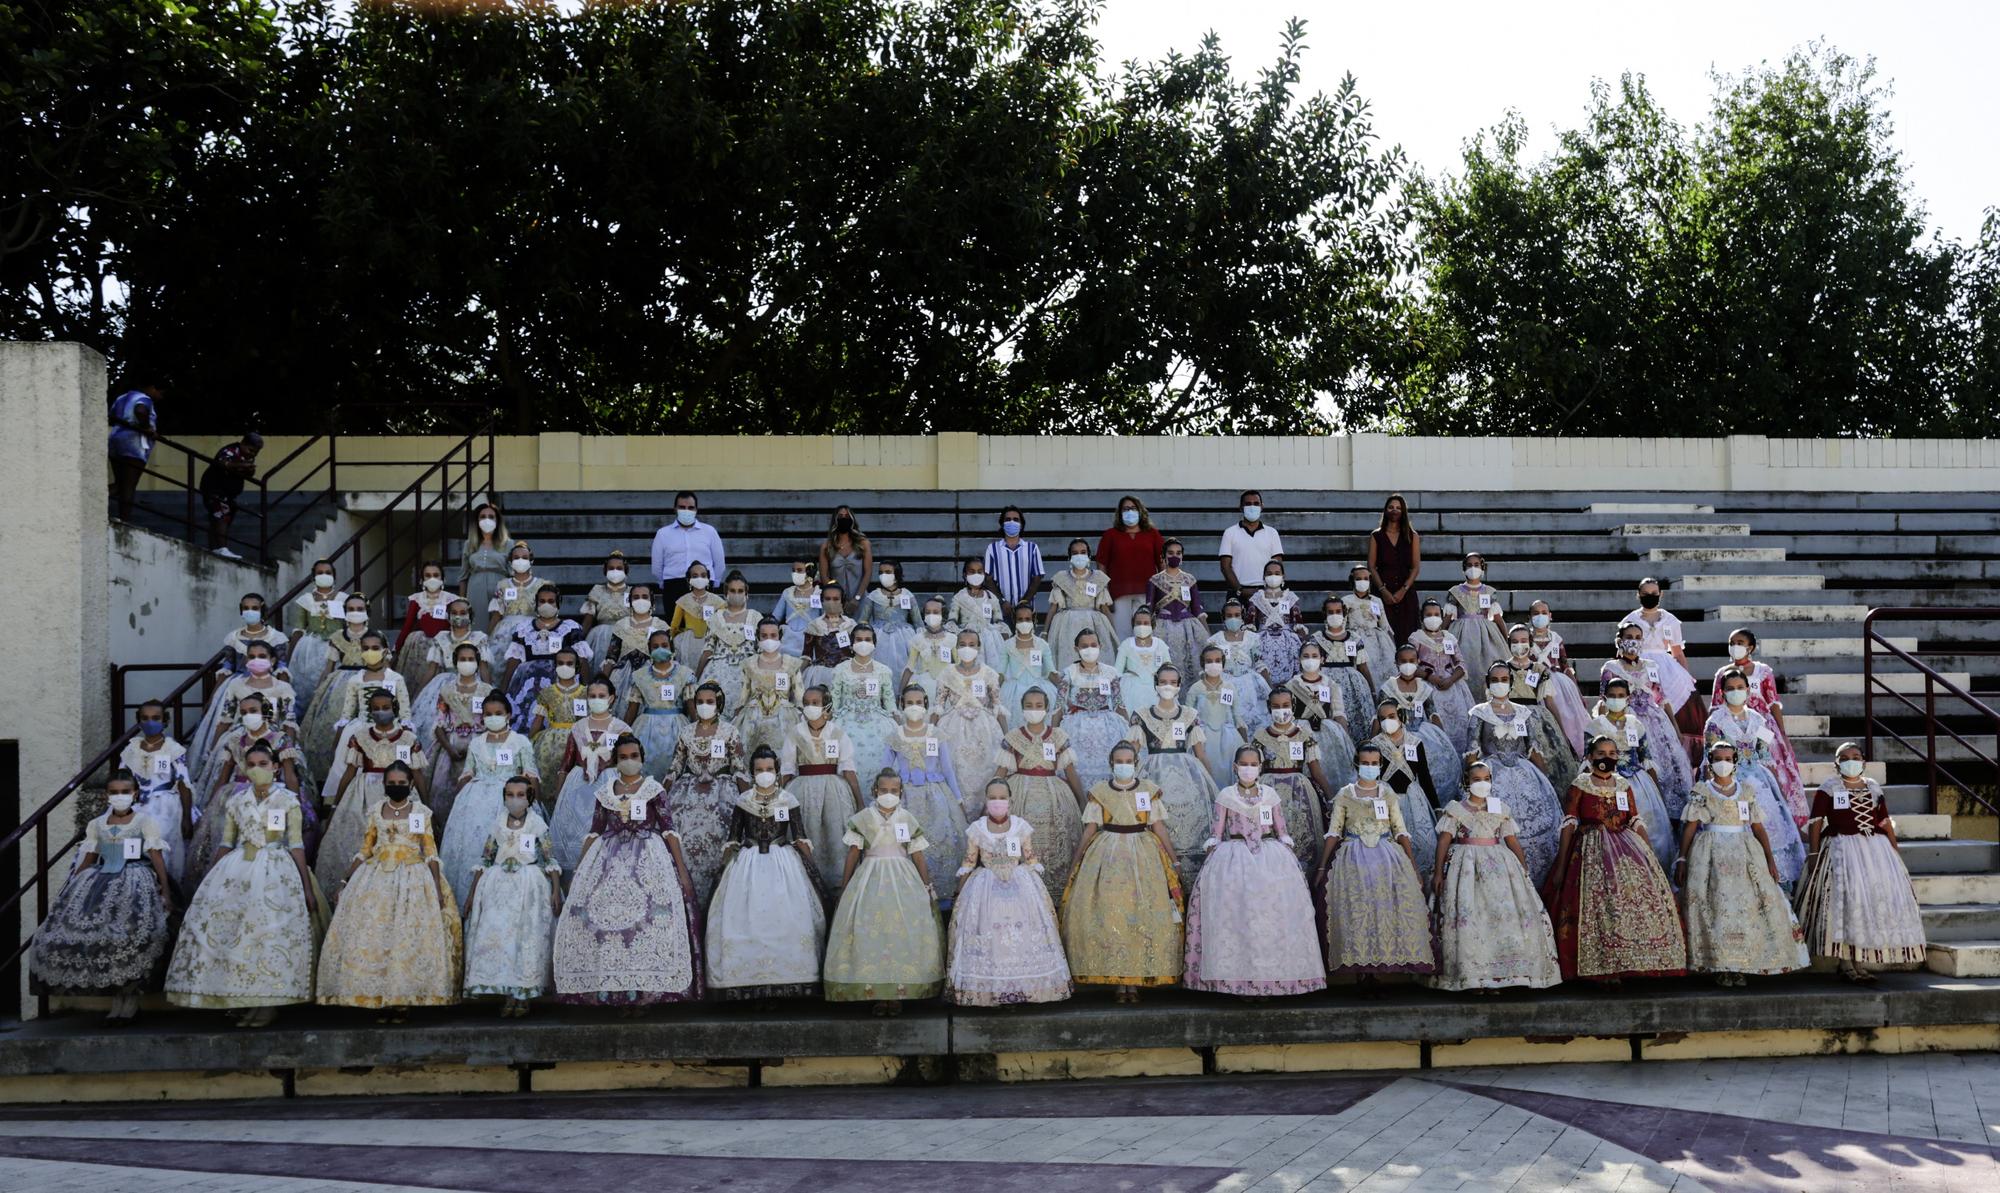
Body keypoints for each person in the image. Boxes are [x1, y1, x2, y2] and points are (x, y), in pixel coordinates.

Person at [165, 743, 323, 1026]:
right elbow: (227, 842)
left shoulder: (287, 800)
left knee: (267, 932)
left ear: (275, 767)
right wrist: (210, 880)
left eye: (263, 763)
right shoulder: (237, 801)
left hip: (275, 868)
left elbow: (297, 844)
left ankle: (269, 1002)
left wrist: (307, 888)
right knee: (235, 933)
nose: (257, 769)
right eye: (251, 764)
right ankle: (242, 998)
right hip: (237, 868)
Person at [554, 735, 704, 1010]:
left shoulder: (653, 789)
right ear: (616, 760)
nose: (629, 761)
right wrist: (579, 869)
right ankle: (613, 991)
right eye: (623, 757)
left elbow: (669, 829)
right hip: (607, 857)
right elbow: (595, 830)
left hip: (649, 856)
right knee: (602, 921)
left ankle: (644, 992)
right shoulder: (606, 792)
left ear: (642, 758)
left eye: (634, 755)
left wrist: (681, 871)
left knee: (647, 920)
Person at [316, 762, 460, 1018]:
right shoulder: (375, 811)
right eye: (391, 784)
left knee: (406, 939)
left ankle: (402, 998)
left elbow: (430, 852)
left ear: (411, 785)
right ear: (384, 785)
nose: (396, 787)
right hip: (376, 876)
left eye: (401, 783)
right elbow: (365, 849)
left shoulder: (419, 813)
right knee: (374, 938)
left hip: (413, 877)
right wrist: (345, 880)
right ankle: (376, 997)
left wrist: (437, 888)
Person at [31, 770, 175, 1023]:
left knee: (128, 936)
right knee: (101, 938)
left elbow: (155, 855)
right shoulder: (97, 824)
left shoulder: (144, 821)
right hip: (100, 881)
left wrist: (165, 888)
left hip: (134, 880)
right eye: (114, 792)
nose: (120, 797)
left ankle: (129, 997)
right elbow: (88, 858)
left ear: (135, 794)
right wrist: (71, 890)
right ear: (106, 796)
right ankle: (116, 998)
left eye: (125, 792)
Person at [1184, 746, 1327, 997]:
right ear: (1235, 767)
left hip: (1270, 857)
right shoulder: (1226, 795)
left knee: (1271, 917)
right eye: (1243, 764)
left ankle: (1271, 981)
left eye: (1253, 764)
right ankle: (1238, 982)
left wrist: (1286, 846)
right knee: (1237, 918)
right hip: (1234, 857)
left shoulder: (1270, 795)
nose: (1248, 768)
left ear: (1260, 767)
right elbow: (1217, 832)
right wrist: (1212, 851)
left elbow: (1281, 828)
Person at [1544, 735, 1687, 984]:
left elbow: (1634, 818)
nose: (1607, 758)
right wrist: (1561, 862)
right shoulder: (1580, 785)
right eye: (1601, 754)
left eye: (1612, 753)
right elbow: (1569, 824)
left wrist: (1648, 851)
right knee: (1599, 904)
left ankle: (1629, 962)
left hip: (1625, 849)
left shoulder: (1623, 785)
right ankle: (1602, 966)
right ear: (1589, 757)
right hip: (1590, 851)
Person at [1062, 742, 1184, 1003]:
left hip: (1144, 853)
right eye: (1119, 761)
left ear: (1136, 763)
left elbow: (1159, 827)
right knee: (1111, 915)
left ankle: (1136, 979)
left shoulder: (1149, 791)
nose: (1124, 765)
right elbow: (1090, 829)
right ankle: (1118, 981)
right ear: (1111, 763)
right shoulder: (1100, 793)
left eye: (1128, 760)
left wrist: (1174, 861)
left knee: (1143, 914)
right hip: (1107, 854)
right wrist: (1077, 860)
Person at [1678, 742, 1808, 985]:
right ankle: (1720, 965)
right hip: (1711, 855)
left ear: (1735, 761)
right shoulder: (1702, 790)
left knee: (1746, 907)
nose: (1723, 763)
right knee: (1715, 906)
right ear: (1710, 760)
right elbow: (1691, 826)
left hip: (1745, 852)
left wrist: (1770, 859)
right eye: (1718, 758)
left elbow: (1758, 827)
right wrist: (1682, 858)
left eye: (1728, 758)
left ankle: (1742, 965)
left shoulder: (1746, 790)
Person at [1795, 743, 1927, 983]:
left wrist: (1895, 854)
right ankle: (1846, 963)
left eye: (1855, 757)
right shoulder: (1829, 788)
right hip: (1841, 850)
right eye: (1844, 757)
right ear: (1836, 763)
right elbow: (1816, 822)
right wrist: (1813, 855)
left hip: (1874, 852)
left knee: (1869, 905)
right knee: (1847, 904)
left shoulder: (1873, 787)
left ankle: (1859, 961)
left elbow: (1884, 821)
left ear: (1864, 762)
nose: (1850, 761)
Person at [705, 746, 828, 1001]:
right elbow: (733, 838)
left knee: (791, 918)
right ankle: (747, 985)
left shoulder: (788, 800)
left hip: (784, 864)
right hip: (747, 865)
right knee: (740, 919)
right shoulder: (743, 801)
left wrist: (812, 870)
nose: (764, 774)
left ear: (777, 771)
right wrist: (724, 871)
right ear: (751, 773)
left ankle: (785, 983)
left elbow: (800, 835)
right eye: (759, 770)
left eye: (769, 769)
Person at [1428, 760, 1561, 993]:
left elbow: (1511, 840)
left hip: (1500, 868)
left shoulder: (1500, 808)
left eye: (1486, 779)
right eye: (1476, 780)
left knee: (1502, 916)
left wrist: (1523, 867)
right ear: (1466, 782)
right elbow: (1444, 841)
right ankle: (1474, 977)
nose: (1482, 784)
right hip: (1466, 867)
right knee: (1473, 916)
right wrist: (1438, 872)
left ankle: (1502, 974)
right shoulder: (1456, 809)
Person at [823, 770, 944, 1012]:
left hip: (904, 880)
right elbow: (853, 854)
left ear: (901, 792)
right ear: (875, 791)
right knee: (872, 934)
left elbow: (917, 856)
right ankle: (876, 992)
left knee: (901, 932)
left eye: (894, 791)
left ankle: (898, 993)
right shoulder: (863, 818)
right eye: (883, 790)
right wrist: (845, 886)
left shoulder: (907, 819)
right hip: (869, 878)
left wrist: (927, 885)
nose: (888, 795)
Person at [947, 780, 1072, 1006]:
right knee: (990, 937)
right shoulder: (977, 829)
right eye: (993, 797)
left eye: (1002, 797)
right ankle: (991, 989)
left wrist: (1036, 875)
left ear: (1010, 800)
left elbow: (1030, 856)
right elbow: (969, 861)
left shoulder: (1020, 826)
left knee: (1023, 935)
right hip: (985, 888)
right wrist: (959, 890)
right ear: (986, 801)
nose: (997, 802)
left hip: (1019, 884)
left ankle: (1025, 987)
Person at [1315, 744, 1434, 982]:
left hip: (1387, 858)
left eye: (1374, 764)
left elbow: (1400, 830)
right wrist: (1322, 866)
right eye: (1365, 763)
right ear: (1356, 764)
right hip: (1353, 858)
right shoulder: (1345, 794)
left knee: (1384, 911)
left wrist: (1412, 865)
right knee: (1358, 912)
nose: (1370, 768)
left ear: (1380, 765)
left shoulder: (1387, 794)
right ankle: (1363, 973)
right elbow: (1334, 832)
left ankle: (1379, 972)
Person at [461, 776, 561, 1016]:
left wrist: (556, 890)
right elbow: (486, 858)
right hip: (498, 887)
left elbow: (549, 858)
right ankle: (508, 993)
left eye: (520, 795)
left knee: (526, 938)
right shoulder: (497, 824)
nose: (514, 799)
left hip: (529, 887)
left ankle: (524, 994)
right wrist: (472, 894)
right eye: (509, 795)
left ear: (529, 798)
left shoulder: (537, 825)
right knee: (501, 938)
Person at [1705, 668, 1808, 891]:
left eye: (1740, 688)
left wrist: (1778, 785)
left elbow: (1765, 754)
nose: (1736, 692)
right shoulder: (1715, 721)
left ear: (1748, 690)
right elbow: (1709, 759)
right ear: (1722, 692)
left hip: (1760, 779)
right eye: (1730, 689)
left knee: (1772, 826)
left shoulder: (1760, 719)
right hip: (1729, 782)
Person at [1124, 665, 1214, 884]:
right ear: (1156, 684)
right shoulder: (1142, 715)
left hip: (1189, 775)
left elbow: (1200, 753)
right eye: (1163, 681)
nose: (1168, 686)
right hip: (1152, 774)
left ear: (1179, 686)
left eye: (1173, 682)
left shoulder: (1190, 715)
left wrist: (1212, 784)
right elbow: (1131, 750)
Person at [993, 687, 1086, 896]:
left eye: (1038, 706)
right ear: (1022, 709)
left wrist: (1082, 801)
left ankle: (1053, 893)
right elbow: (1000, 773)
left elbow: (1070, 771)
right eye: (1029, 706)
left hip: (1055, 793)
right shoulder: (1013, 737)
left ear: (1046, 709)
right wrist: (990, 802)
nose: (1034, 710)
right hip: (1019, 794)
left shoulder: (1059, 736)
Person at [1711, 629, 1807, 824]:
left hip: (1763, 725)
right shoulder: (1722, 673)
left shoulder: (1763, 671)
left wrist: (1781, 733)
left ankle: (1779, 817)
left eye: (1740, 642)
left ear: (1751, 647)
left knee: (1769, 765)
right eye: (1732, 642)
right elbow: (1715, 705)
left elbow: (1773, 703)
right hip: (1734, 726)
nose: (1735, 646)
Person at [882, 685, 967, 904]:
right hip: (905, 798)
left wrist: (958, 799)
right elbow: (885, 770)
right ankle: (907, 894)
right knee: (904, 841)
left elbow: (947, 769)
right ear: (902, 706)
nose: (914, 707)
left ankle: (940, 896)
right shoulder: (895, 736)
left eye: (918, 702)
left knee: (939, 840)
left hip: (935, 796)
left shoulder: (936, 733)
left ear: (926, 705)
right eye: (909, 703)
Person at [664, 681, 747, 905]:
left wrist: (748, 800)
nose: (704, 706)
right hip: (688, 790)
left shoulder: (730, 731)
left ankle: (717, 897)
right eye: (699, 702)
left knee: (722, 828)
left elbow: (739, 768)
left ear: (718, 703)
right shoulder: (686, 731)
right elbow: (676, 766)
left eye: (709, 702)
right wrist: (664, 790)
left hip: (722, 790)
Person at [447, 695, 541, 894]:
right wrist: (461, 794)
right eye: (488, 714)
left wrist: (531, 803)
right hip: (474, 803)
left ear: (508, 715)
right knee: (472, 847)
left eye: (498, 713)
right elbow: (467, 772)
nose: (493, 717)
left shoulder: (520, 741)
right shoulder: (476, 743)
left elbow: (531, 774)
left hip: (510, 799)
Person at [1586, 678, 1675, 875]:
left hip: (1638, 783)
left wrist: (1657, 790)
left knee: (1649, 828)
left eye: (1620, 696)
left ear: (1628, 698)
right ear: (1604, 698)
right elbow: (1589, 760)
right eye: (1612, 696)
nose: (1616, 700)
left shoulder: (1636, 725)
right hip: (1607, 784)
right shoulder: (1595, 726)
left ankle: (1649, 873)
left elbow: (1646, 758)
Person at [781, 686, 864, 888]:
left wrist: (860, 803)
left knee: (835, 834)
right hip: (802, 791)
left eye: (815, 703)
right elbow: (787, 769)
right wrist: (780, 799)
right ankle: (809, 884)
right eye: (807, 703)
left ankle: (836, 886)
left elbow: (848, 769)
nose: (810, 707)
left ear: (825, 704)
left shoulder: (837, 733)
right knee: (808, 832)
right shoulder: (795, 733)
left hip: (834, 791)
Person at [933, 629, 1006, 809]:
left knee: (985, 771)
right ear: (956, 647)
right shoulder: (947, 673)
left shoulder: (989, 674)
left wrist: (1007, 736)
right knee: (954, 769)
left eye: (971, 645)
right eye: (963, 645)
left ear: (979, 647)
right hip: (952, 729)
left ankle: (983, 811)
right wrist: (928, 735)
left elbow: (998, 707)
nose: (967, 648)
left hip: (985, 730)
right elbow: (938, 706)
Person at [1620, 578, 1701, 737]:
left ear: (1660, 594)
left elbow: (1677, 652)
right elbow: (1622, 650)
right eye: (1645, 593)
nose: (1650, 596)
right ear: (1638, 595)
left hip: (1667, 668)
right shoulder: (1630, 620)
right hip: (1638, 666)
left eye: (1654, 593)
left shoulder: (1671, 620)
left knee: (1679, 701)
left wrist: (1685, 676)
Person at [1052, 629, 1128, 793]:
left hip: (1108, 728)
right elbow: (1058, 706)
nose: (1089, 649)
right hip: (1077, 727)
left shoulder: (1111, 672)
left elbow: (1119, 704)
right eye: (1084, 646)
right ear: (1076, 649)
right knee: (1077, 768)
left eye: (1093, 645)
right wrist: (1053, 735)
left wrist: (1129, 732)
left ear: (1100, 646)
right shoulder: (1068, 672)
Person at [1097, 495, 1165, 640]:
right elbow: (1101, 564)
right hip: (1118, 593)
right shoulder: (1111, 535)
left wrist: (1161, 591)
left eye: (1133, 508)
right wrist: (1105, 590)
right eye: (1126, 509)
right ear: (1120, 513)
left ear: (1140, 511)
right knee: (1121, 634)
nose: (1130, 511)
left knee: (1144, 632)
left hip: (1146, 592)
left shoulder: (1153, 534)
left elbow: (1162, 563)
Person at [1046, 541, 1114, 673]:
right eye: (1075, 553)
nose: (1079, 555)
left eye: (1083, 552)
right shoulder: (1061, 578)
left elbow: (1105, 609)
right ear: (1069, 557)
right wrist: (1045, 632)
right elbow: (1053, 607)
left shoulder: (1098, 578)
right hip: (1066, 625)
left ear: (1089, 556)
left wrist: (1113, 631)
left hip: (1094, 623)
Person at [650, 491, 725, 606]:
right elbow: (657, 565)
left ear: (696, 510)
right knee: (675, 623)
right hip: (673, 586)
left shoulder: (709, 532)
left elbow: (719, 562)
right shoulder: (663, 534)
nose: (686, 511)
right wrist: (664, 583)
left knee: (704, 623)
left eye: (690, 508)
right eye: (682, 507)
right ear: (675, 509)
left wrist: (713, 582)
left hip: (704, 585)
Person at [1147, 539, 1207, 681]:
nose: (1175, 556)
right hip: (1162, 628)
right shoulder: (1155, 580)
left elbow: (1197, 608)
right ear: (1163, 556)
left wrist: (1207, 633)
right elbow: (1149, 609)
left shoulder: (1190, 579)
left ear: (1182, 556)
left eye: (1178, 553)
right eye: (1171, 553)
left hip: (1188, 628)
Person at [1443, 552, 1507, 683]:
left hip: (1485, 633)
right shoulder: (1456, 591)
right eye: (1469, 565)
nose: (1473, 568)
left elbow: (1497, 618)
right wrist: (1439, 635)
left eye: (1476, 565)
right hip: (1460, 633)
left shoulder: (1489, 591)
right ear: (1464, 569)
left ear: (1482, 567)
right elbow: (1448, 618)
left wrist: (1505, 638)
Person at [1367, 493, 1422, 645]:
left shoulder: (1412, 536)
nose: (1394, 510)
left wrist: (1403, 590)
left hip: (1406, 592)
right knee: (1385, 635)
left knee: (1407, 633)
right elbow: (1371, 566)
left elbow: (1416, 567)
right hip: (1381, 591)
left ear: (1403, 511)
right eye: (1391, 507)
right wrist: (1383, 590)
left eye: (1398, 508)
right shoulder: (1376, 536)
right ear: (1385, 510)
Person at [197, 433, 262, 558]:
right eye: (251, 450)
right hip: (214, 488)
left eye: (256, 452)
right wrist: (241, 466)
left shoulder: (247, 457)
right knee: (222, 513)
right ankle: (221, 548)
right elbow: (222, 463)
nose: (252, 454)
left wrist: (250, 471)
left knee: (223, 515)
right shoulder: (230, 450)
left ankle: (215, 547)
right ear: (243, 444)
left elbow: (245, 473)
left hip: (228, 493)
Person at [107, 383, 161, 522]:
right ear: (152, 388)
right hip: (134, 445)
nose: (159, 397)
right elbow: (141, 410)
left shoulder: (121, 398)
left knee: (120, 484)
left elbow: (111, 417)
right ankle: (125, 521)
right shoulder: (144, 398)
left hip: (115, 440)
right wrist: (147, 428)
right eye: (159, 393)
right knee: (129, 485)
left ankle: (95, 501)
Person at [1247, 560, 1305, 687]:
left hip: (1287, 642)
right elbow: (1249, 625)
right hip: (1262, 641)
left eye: (1277, 573)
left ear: (1283, 577)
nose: (1273, 576)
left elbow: (1298, 623)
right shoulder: (1256, 598)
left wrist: (1303, 644)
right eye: (1269, 573)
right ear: (1263, 577)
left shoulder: (1291, 597)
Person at [1216, 490, 1282, 601]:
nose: (1252, 507)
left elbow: (1278, 565)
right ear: (1241, 507)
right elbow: (1225, 567)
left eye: (1256, 504)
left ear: (1262, 506)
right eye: (1248, 504)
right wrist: (1240, 590)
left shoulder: (1272, 533)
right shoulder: (1230, 532)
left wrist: (1270, 589)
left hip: (1267, 592)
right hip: (1238, 593)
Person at [982, 505, 1044, 610]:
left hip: (1026, 611)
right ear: (1002, 524)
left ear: (1021, 525)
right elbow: (988, 579)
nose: (1012, 522)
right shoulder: (992, 549)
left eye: (1016, 519)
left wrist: (1024, 602)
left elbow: (1037, 578)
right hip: (1000, 610)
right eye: (1008, 519)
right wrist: (1002, 601)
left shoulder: (1032, 548)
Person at [459, 503, 512, 624]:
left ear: (497, 520)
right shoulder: (469, 544)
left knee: (498, 625)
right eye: (482, 516)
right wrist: (462, 601)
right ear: (477, 521)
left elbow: (513, 574)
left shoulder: (508, 544)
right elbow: (463, 576)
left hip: (500, 586)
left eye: (491, 516)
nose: (487, 519)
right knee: (477, 624)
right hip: (475, 587)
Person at [816, 505, 871, 601]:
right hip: (836, 600)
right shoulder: (826, 546)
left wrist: (857, 598)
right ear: (835, 520)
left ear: (852, 519)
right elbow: (824, 576)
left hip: (860, 598)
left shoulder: (863, 544)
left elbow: (868, 573)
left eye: (847, 516)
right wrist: (837, 598)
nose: (844, 519)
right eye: (840, 516)